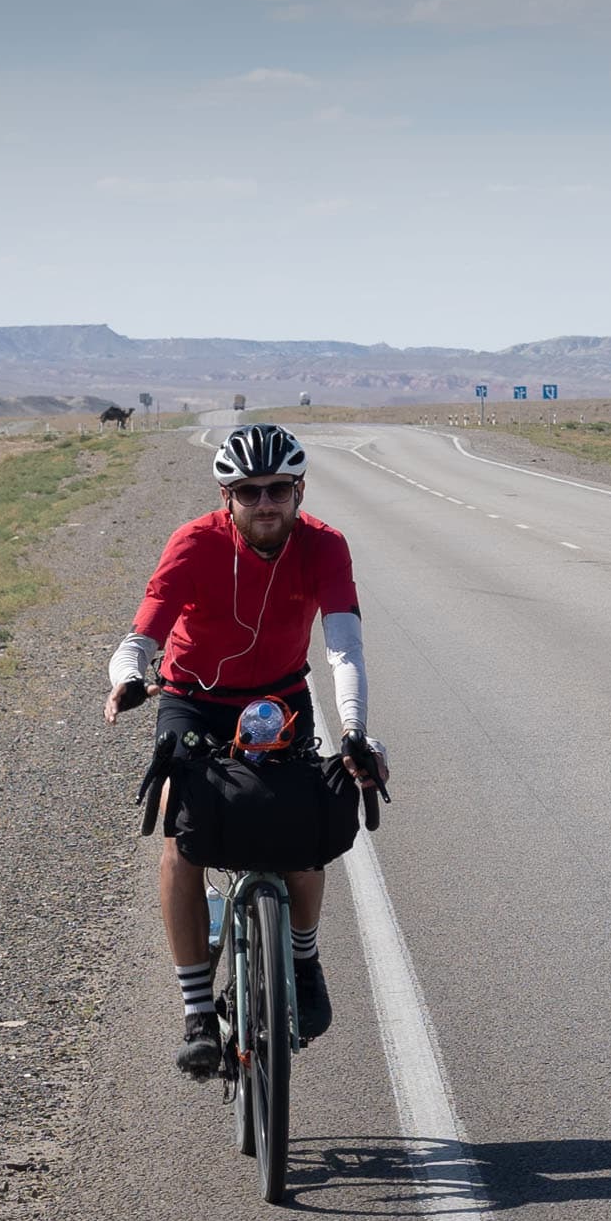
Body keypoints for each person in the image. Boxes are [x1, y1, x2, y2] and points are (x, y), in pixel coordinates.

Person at [102, 424, 388, 1077]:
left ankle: (305, 962)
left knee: (304, 824)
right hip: (194, 696)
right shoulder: (193, 544)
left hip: (279, 696)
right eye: (251, 492)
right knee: (182, 831)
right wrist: (125, 678)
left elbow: (343, 646)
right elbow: (140, 638)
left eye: (280, 490)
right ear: (227, 497)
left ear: (300, 490)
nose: (266, 504)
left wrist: (352, 728)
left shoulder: (325, 546)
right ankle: (199, 1011)